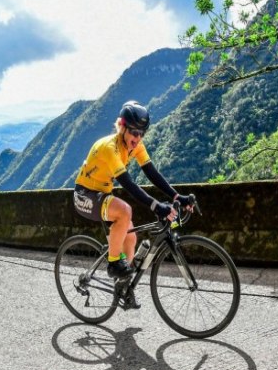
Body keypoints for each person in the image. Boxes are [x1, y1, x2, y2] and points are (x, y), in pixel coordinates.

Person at [74, 100, 193, 308]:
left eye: (142, 133)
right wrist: (157, 206)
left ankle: (123, 286)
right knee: (125, 211)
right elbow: (128, 184)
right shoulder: (109, 147)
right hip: (86, 195)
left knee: (131, 238)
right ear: (122, 127)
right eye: (134, 132)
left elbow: (151, 173)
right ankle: (113, 263)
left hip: (102, 194)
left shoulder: (135, 146)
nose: (137, 138)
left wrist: (176, 197)